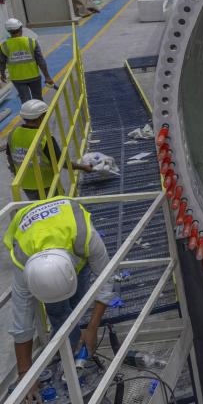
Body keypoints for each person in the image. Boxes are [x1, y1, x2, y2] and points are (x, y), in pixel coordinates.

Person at [4, 197, 113, 398]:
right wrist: (25, 374)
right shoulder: (22, 260)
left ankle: (76, 346)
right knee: (57, 312)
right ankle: (69, 355)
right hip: (37, 239)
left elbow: (106, 281)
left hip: (70, 246)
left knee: (77, 303)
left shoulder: (84, 236)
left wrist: (92, 328)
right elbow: (21, 324)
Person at [6, 100, 93, 201]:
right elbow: (62, 163)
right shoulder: (44, 138)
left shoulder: (13, 133)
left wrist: (15, 173)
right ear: (41, 117)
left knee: (39, 208)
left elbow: (10, 156)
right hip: (46, 184)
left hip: (24, 183)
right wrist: (84, 167)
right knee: (56, 207)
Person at [1, 19, 56, 104]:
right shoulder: (31, 42)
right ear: (21, 28)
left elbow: (2, 62)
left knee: (25, 101)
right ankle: (40, 116)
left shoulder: (4, 46)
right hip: (34, 76)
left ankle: (29, 116)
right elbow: (40, 61)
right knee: (38, 99)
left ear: (8, 31)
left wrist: (2, 73)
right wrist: (47, 76)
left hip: (17, 78)